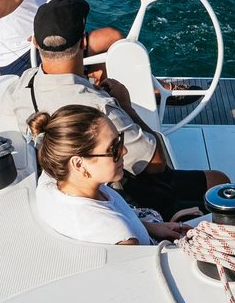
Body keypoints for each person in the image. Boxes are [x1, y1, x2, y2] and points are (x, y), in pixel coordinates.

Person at [9, 0, 232, 221]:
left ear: (35, 42)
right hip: (126, 198)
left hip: (72, 186)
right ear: (84, 43)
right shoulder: (99, 108)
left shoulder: (23, 86)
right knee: (219, 181)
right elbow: (154, 164)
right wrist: (125, 106)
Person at [30, 104, 192, 245]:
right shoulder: (122, 237)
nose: (125, 150)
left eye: (119, 140)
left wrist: (150, 227)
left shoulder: (50, 179)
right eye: (113, 149)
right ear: (79, 164)